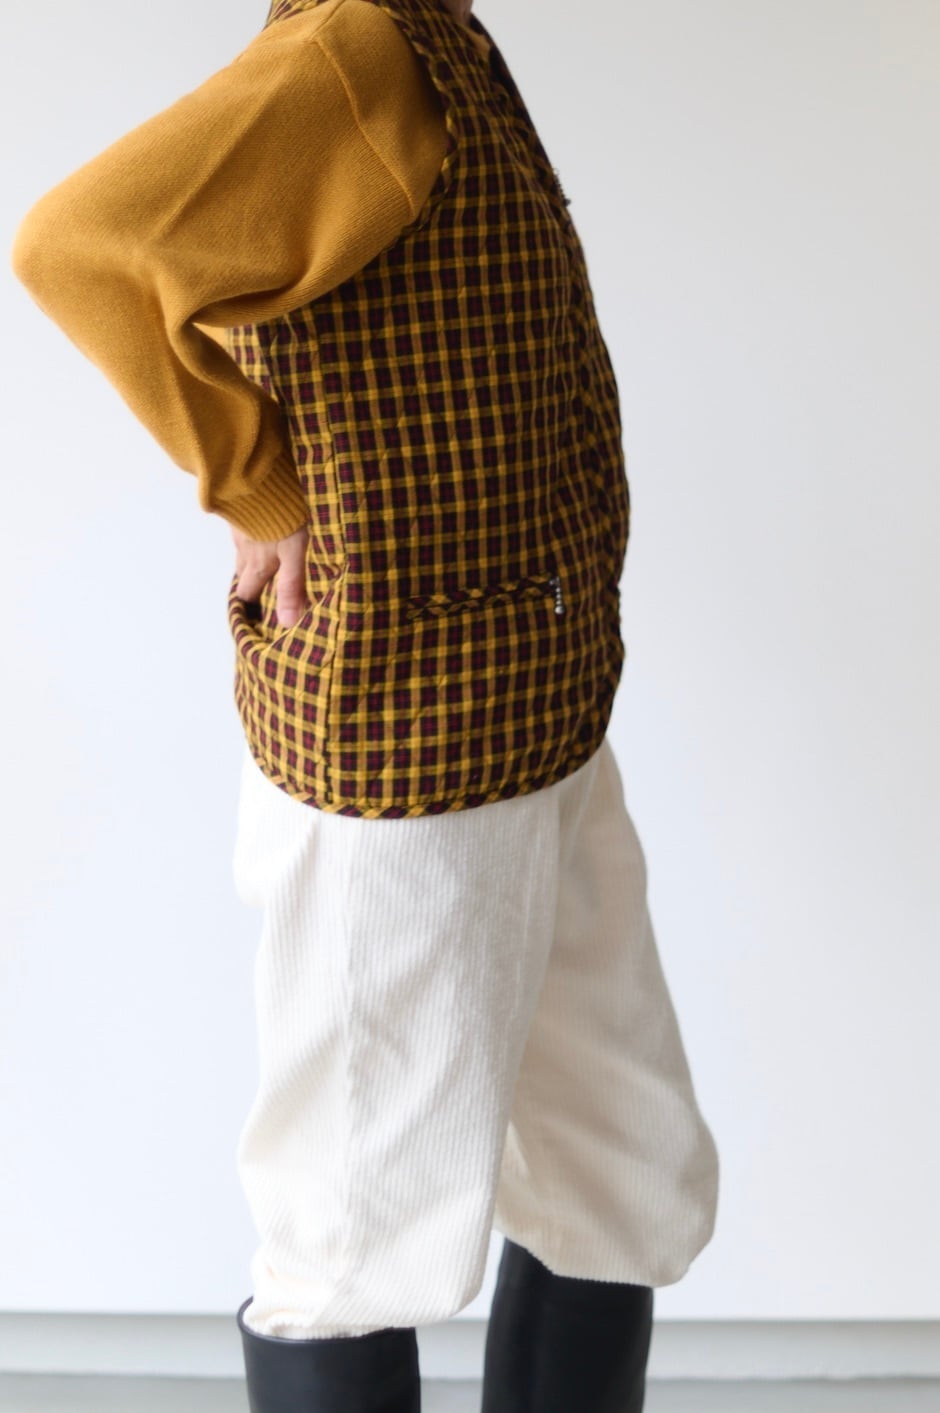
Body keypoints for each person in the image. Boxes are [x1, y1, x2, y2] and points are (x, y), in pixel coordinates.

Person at [10, 0, 720, 1408]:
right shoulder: (351, 55)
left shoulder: (436, 35)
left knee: (623, 1174)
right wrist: (253, 483)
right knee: (352, 1243)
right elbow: (76, 246)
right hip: (408, 753)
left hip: (541, 712)